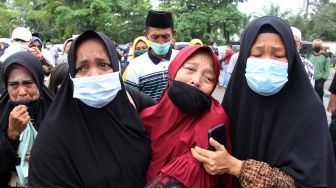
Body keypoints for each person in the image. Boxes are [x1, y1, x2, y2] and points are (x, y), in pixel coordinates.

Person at [192, 16, 336, 187]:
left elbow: (311, 181)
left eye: (278, 55)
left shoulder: (310, 111)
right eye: (257, 54)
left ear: (291, 58)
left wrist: (237, 167)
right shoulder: (235, 102)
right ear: (244, 56)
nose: (267, 63)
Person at [28, 30, 156, 187]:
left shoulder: (132, 103)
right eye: (82, 67)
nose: (94, 74)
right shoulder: (53, 138)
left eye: (103, 64)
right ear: (72, 76)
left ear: (116, 67)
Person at [140, 46, 232, 187]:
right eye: (190, 69)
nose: (196, 81)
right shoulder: (146, 117)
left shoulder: (213, 123)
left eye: (208, 78)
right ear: (174, 69)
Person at [0, 52, 54, 187]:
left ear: (39, 81)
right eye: (13, 85)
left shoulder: (57, 114)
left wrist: (45, 154)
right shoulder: (1, 114)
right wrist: (11, 135)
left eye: (28, 83)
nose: (22, 91)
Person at [125, 10, 179, 101]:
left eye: (166, 37)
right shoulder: (135, 66)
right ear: (146, 35)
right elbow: (130, 101)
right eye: (155, 37)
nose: (161, 42)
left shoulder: (181, 58)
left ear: (173, 34)